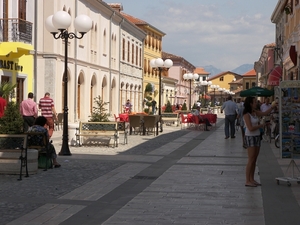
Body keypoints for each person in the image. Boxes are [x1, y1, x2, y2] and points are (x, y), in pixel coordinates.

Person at [243, 96, 276, 187]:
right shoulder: (246, 114)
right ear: (250, 103)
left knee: (255, 159)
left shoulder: (254, 113)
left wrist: (272, 107)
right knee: (251, 159)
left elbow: (264, 113)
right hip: (250, 137)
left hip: (257, 136)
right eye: (254, 102)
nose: (256, 103)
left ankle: (252, 179)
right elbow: (250, 128)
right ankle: (247, 180)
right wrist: (261, 126)